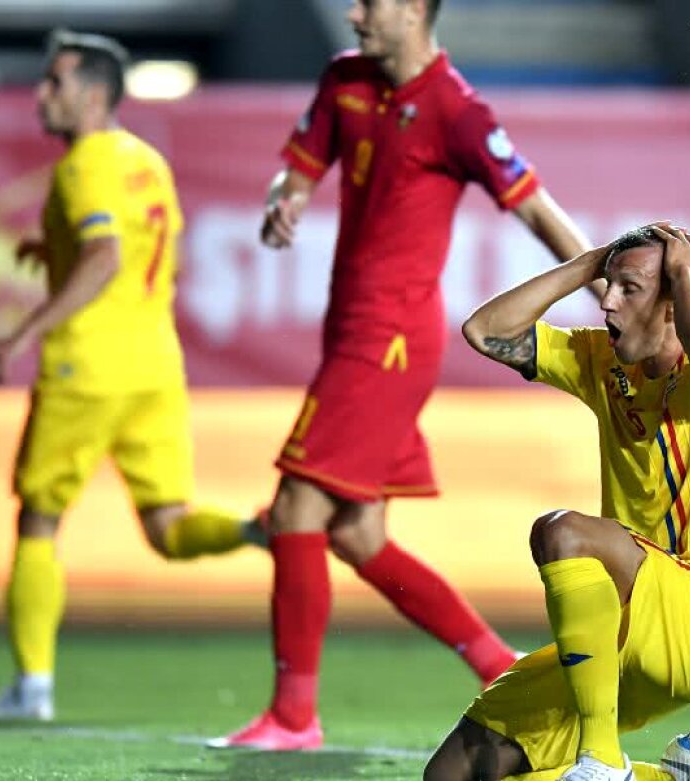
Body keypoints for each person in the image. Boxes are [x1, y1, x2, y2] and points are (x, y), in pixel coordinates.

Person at [211, 0, 597, 751]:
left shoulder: (457, 110)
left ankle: (293, 717)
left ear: (417, 9)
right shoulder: (344, 80)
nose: (354, 13)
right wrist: (284, 202)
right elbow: (298, 170)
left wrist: (609, 284)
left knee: (295, 508)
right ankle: (502, 667)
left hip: (388, 339)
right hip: (349, 327)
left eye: (372, 1)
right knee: (357, 534)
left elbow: (537, 212)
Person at [0, 29, 262, 722]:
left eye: (56, 83)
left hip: (86, 366)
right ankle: (260, 530)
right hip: (154, 365)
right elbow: (146, 250)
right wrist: (54, 249)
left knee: (39, 519)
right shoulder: (147, 161)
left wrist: (24, 332)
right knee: (169, 526)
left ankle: (31, 687)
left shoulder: (83, 166)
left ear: (94, 96)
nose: (42, 94)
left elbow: (104, 257)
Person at [423, 225, 690, 781]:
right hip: (616, 629)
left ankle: (601, 758)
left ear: (671, 302)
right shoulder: (602, 361)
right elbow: (485, 330)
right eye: (609, 286)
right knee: (452, 775)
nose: (607, 302)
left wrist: (684, 273)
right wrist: (592, 263)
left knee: (563, 533)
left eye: (630, 289)